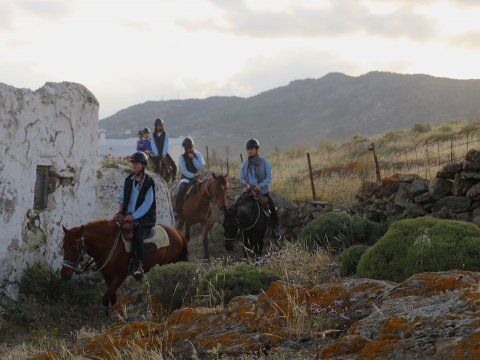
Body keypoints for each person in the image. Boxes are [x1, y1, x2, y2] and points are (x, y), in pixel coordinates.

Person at [116, 151, 156, 279]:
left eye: (137, 163)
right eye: (133, 163)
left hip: (144, 218)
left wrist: (133, 216)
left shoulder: (149, 182)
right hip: (128, 215)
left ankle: (139, 264)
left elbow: (147, 204)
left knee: (138, 234)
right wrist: (120, 213)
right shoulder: (128, 180)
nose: (134, 166)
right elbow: (122, 198)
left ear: (143, 165)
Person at [240, 137, 282, 241]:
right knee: (236, 208)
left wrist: (261, 185)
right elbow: (241, 178)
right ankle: (237, 231)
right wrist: (246, 184)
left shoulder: (265, 162)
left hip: (262, 192)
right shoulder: (245, 164)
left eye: (252, 148)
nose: (249, 151)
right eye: (248, 149)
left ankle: (276, 229)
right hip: (248, 192)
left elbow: (269, 178)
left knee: (272, 209)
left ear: (256, 149)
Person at [174, 137, 205, 218]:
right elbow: (184, 171)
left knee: (204, 189)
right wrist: (193, 175)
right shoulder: (182, 157)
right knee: (181, 189)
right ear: (185, 148)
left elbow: (199, 167)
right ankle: (177, 209)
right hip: (186, 178)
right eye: (188, 148)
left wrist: (193, 159)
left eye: (191, 147)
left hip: (196, 179)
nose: (190, 149)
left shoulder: (197, 155)